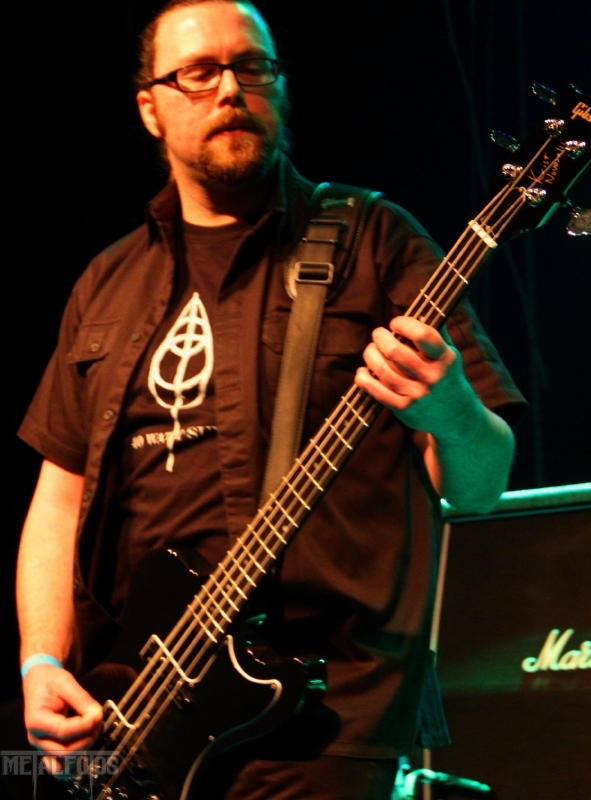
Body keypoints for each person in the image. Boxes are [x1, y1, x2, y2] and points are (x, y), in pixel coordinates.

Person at [9, 1, 526, 798]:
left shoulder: (372, 238)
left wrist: (451, 411)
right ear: (149, 107)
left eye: (252, 67)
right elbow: (60, 496)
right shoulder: (108, 281)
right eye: (198, 72)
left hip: (326, 717)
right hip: (133, 711)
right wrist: (42, 660)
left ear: (278, 85)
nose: (230, 89)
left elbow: (482, 484)